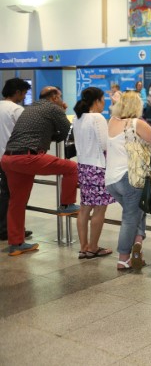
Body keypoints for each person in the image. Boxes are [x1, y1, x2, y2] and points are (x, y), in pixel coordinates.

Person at [1, 86, 79, 256]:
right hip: (28, 157)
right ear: (54, 97)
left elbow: (51, 135)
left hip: (8, 158)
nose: (61, 99)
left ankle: (16, 243)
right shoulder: (53, 108)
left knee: (17, 202)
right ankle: (66, 205)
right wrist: (62, 112)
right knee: (72, 168)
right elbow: (68, 133)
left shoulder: (31, 109)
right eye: (60, 96)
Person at [106, 91, 151, 271]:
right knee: (130, 217)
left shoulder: (112, 121)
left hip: (111, 180)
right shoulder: (136, 123)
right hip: (130, 178)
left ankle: (138, 245)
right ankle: (123, 258)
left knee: (138, 210)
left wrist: (117, 100)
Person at [73, 87, 115, 259]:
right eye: (103, 99)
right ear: (97, 101)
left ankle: (84, 247)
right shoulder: (97, 118)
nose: (104, 102)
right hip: (98, 168)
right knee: (99, 209)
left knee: (84, 208)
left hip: (83, 166)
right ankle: (93, 247)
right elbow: (106, 145)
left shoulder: (78, 117)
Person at [0, 78, 32, 241]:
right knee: (16, 197)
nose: (24, 96)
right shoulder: (16, 110)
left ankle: (7, 228)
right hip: (13, 157)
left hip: (2, 158)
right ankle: (12, 230)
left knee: (5, 194)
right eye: (24, 93)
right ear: (17, 92)